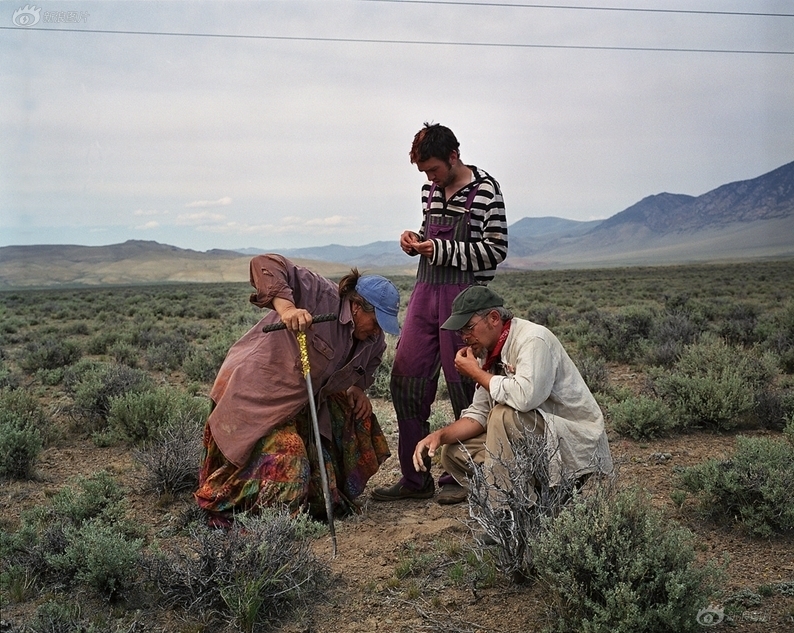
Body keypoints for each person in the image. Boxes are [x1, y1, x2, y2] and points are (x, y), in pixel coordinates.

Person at [195, 254, 401, 527]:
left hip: (305, 401)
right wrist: (288, 309)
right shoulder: (320, 294)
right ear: (357, 306)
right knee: (288, 462)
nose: (377, 332)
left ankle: (323, 495)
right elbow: (265, 263)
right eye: (376, 322)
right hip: (260, 394)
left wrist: (358, 388)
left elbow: (372, 360)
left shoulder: (371, 338)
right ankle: (265, 522)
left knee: (358, 415)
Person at [373, 122, 508, 503]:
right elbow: (428, 230)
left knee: (465, 383)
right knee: (406, 379)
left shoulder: (486, 190)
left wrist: (442, 251)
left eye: (433, 169)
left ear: (453, 156)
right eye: (424, 172)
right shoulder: (428, 189)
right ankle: (415, 479)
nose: (429, 177)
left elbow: (496, 250)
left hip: (465, 299)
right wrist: (413, 241)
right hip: (425, 292)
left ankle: (462, 476)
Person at [411, 286, 613, 506]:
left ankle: (507, 511)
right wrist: (439, 436)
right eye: (460, 332)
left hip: (568, 438)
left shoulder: (533, 339)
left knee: (502, 415)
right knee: (455, 451)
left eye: (468, 327)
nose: (465, 337)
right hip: (534, 439)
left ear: (494, 318)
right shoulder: (487, 352)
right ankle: (529, 497)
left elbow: (526, 398)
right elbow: (479, 413)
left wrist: (476, 374)